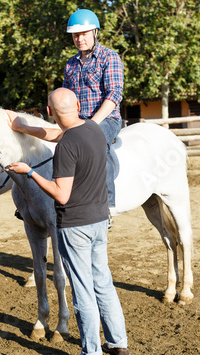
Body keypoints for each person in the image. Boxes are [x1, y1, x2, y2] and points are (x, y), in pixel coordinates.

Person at [7, 88, 130, 355]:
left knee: (83, 289)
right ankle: (118, 342)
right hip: (100, 220)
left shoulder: (66, 147)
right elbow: (54, 133)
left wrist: (31, 172)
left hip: (76, 225)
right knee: (103, 281)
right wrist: (23, 126)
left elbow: (61, 195)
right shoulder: (93, 129)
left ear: (50, 112)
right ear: (77, 105)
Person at [63, 9, 124, 210]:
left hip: (106, 119)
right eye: (76, 35)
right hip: (77, 120)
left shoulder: (110, 57)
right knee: (55, 146)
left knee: (95, 143)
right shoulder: (70, 64)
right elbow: (66, 97)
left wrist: (92, 124)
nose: (80, 39)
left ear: (95, 33)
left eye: (84, 34)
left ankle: (106, 205)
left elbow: (114, 95)